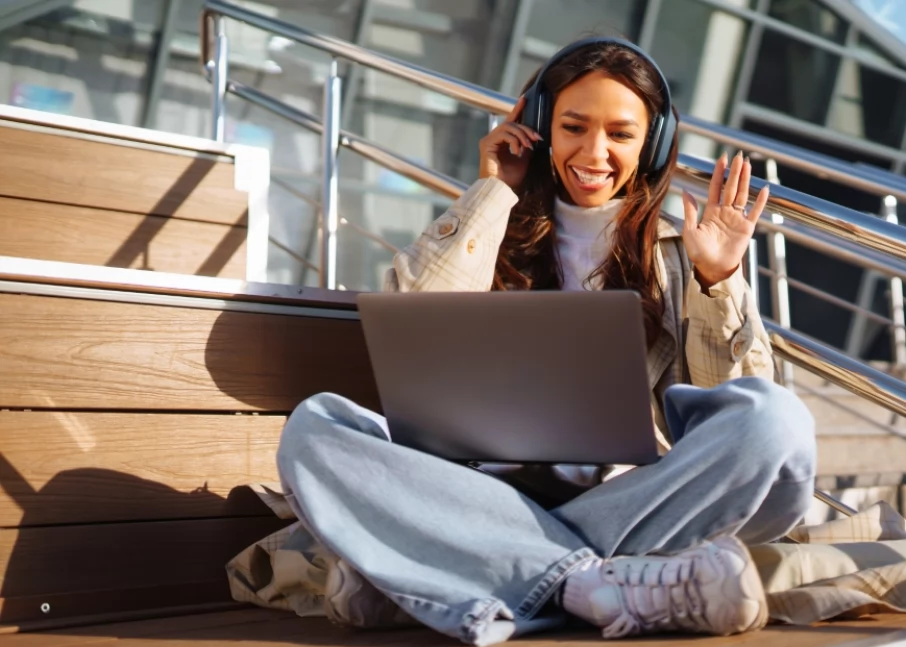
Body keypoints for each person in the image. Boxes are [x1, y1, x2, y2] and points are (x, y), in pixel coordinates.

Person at [273, 36, 817, 646]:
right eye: (574, 126)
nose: (595, 152)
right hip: (484, 490)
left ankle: (470, 567)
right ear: (539, 128)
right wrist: (491, 193)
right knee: (314, 428)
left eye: (620, 134)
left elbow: (734, 402)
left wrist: (717, 281)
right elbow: (414, 316)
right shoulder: (493, 224)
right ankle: (590, 585)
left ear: (653, 145)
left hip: (628, 496)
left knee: (777, 421)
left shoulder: (680, 253)